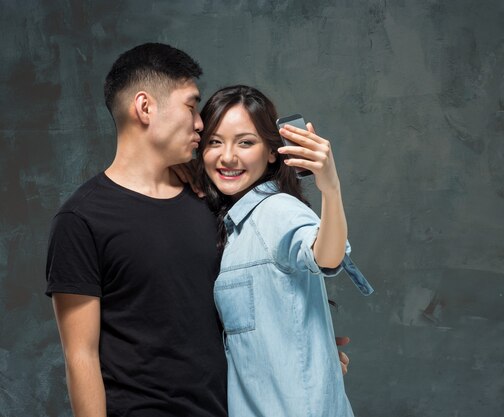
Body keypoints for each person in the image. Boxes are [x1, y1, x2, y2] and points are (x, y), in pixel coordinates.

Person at [45, 43, 228, 416]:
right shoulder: (81, 219)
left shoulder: (208, 199)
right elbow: (80, 355)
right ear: (145, 107)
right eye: (191, 106)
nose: (200, 124)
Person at [195, 85, 374, 417]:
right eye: (214, 142)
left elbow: (326, 255)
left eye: (245, 142)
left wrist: (330, 188)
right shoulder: (234, 227)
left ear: (272, 151)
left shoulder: (276, 210)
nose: (228, 156)